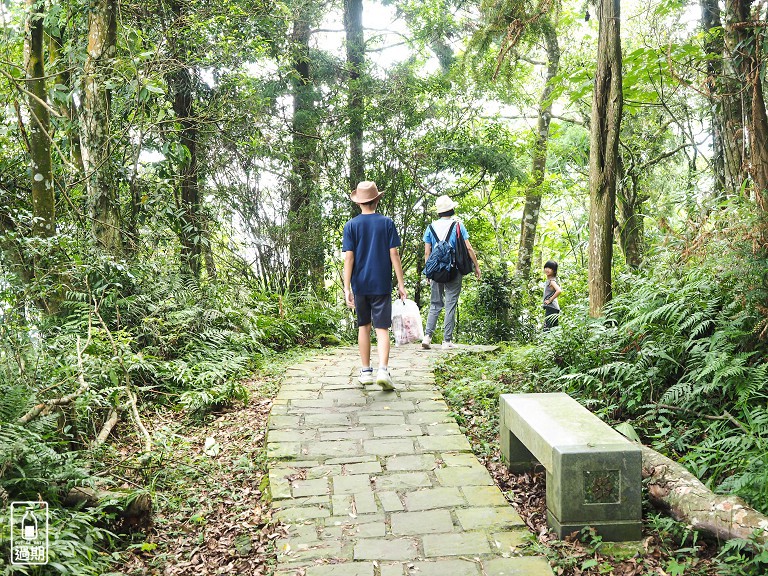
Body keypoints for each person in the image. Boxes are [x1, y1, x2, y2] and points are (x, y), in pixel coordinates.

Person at [343, 181, 407, 390]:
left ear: (359, 202)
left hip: (360, 284)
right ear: (377, 200)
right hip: (381, 283)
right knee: (382, 328)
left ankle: (365, 372)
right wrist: (401, 283)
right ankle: (383, 370)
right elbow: (394, 254)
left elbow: (349, 259)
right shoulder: (387, 223)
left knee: (363, 326)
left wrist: (347, 288)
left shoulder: (351, 226)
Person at [421, 194, 480, 349]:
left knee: (435, 304)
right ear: (451, 209)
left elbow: (427, 253)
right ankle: (446, 341)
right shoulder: (458, 226)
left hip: (436, 271)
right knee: (450, 304)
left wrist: (429, 272)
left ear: (439, 212)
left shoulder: (430, 227)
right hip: (454, 270)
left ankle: (427, 337)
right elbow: (468, 248)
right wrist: (476, 266)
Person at [543, 260, 562, 331]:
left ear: (554, 271)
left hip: (551, 307)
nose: (547, 269)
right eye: (546, 267)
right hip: (554, 308)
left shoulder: (552, 281)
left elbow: (559, 290)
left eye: (550, 268)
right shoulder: (551, 280)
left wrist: (550, 300)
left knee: (547, 328)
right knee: (554, 329)